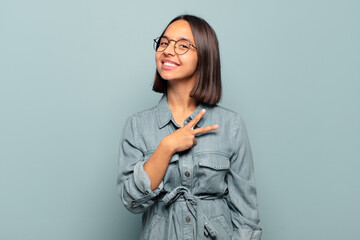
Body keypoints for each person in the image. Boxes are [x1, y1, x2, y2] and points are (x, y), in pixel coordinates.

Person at [117, 14, 262, 240]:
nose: (168, 50)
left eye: (183, 45)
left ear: (204, 56)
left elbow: (246, 216)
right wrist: (167, 147)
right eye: (164, 43)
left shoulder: (231, 125)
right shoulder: (137, 125)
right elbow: (131, 200)